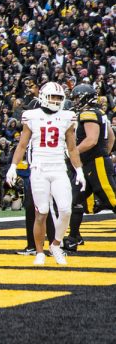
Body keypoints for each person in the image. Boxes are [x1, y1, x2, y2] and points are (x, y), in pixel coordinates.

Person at [6, 82, 85, 266]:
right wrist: (13, 166)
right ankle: (39, 251)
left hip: (59, 167)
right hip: (39, 169)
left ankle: (56, 244)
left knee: (65, 210)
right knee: (41, 212)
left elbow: (72, 148)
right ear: (43, 97)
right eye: (53, 97)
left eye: (59, 98)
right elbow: (22, 145)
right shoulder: (31, 116)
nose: (56, 101)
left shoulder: (68, 117)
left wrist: (79, 170)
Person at [64, 84, 115, 252]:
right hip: (90, 162)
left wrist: (73, 152)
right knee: (76, 200)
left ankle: (74, 236)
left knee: (112, 198)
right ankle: (74, 237)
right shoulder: (99, 113)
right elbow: (111, 137)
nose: (76, 101)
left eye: (78, 97)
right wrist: (104, 153)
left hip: (94, 162)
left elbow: (91, 140)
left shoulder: (88, 113)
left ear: (86, 97)